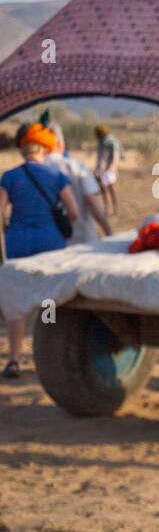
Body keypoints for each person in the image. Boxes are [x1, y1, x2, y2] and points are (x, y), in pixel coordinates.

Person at [0, 121, 80, 378]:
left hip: (18, 239)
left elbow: (0, 212)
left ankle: (14, 359)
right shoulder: (57, 177)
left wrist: (9, 227)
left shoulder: (9, 177)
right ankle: (45, 355)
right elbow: (74, 212)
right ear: (45, 150)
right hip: (50, 241)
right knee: (48, 297)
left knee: (18, 298)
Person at [46, 122, 111, 244]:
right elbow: (91, 201)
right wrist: (108, 232)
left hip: (51, 244)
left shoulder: (35, 170)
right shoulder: (75, 166)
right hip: (83, 240)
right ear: (61, 143)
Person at [93, 124, 122, 215]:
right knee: (104, 190)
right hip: (102, 170)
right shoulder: (101, 143)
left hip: (109, 170)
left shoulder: (111, 142)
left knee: (112, 189)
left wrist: (111, 167)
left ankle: (116, 209)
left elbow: (115, 156)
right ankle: (107, 209)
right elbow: (101, 158)